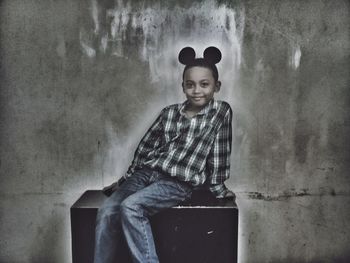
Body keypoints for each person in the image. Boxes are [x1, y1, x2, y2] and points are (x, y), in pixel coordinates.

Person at [94, 46, 234, 263]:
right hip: (145, 173)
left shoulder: (221, 112)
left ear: (217, 86)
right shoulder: (169, 113)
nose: (197, 90)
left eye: (204, 84)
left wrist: (218, 187)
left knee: (131, 207)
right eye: (190, 85)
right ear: (183, 87)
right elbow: (145, 148)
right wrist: (124, 180)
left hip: (175, 182)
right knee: (107, 212)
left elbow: (219, 152)